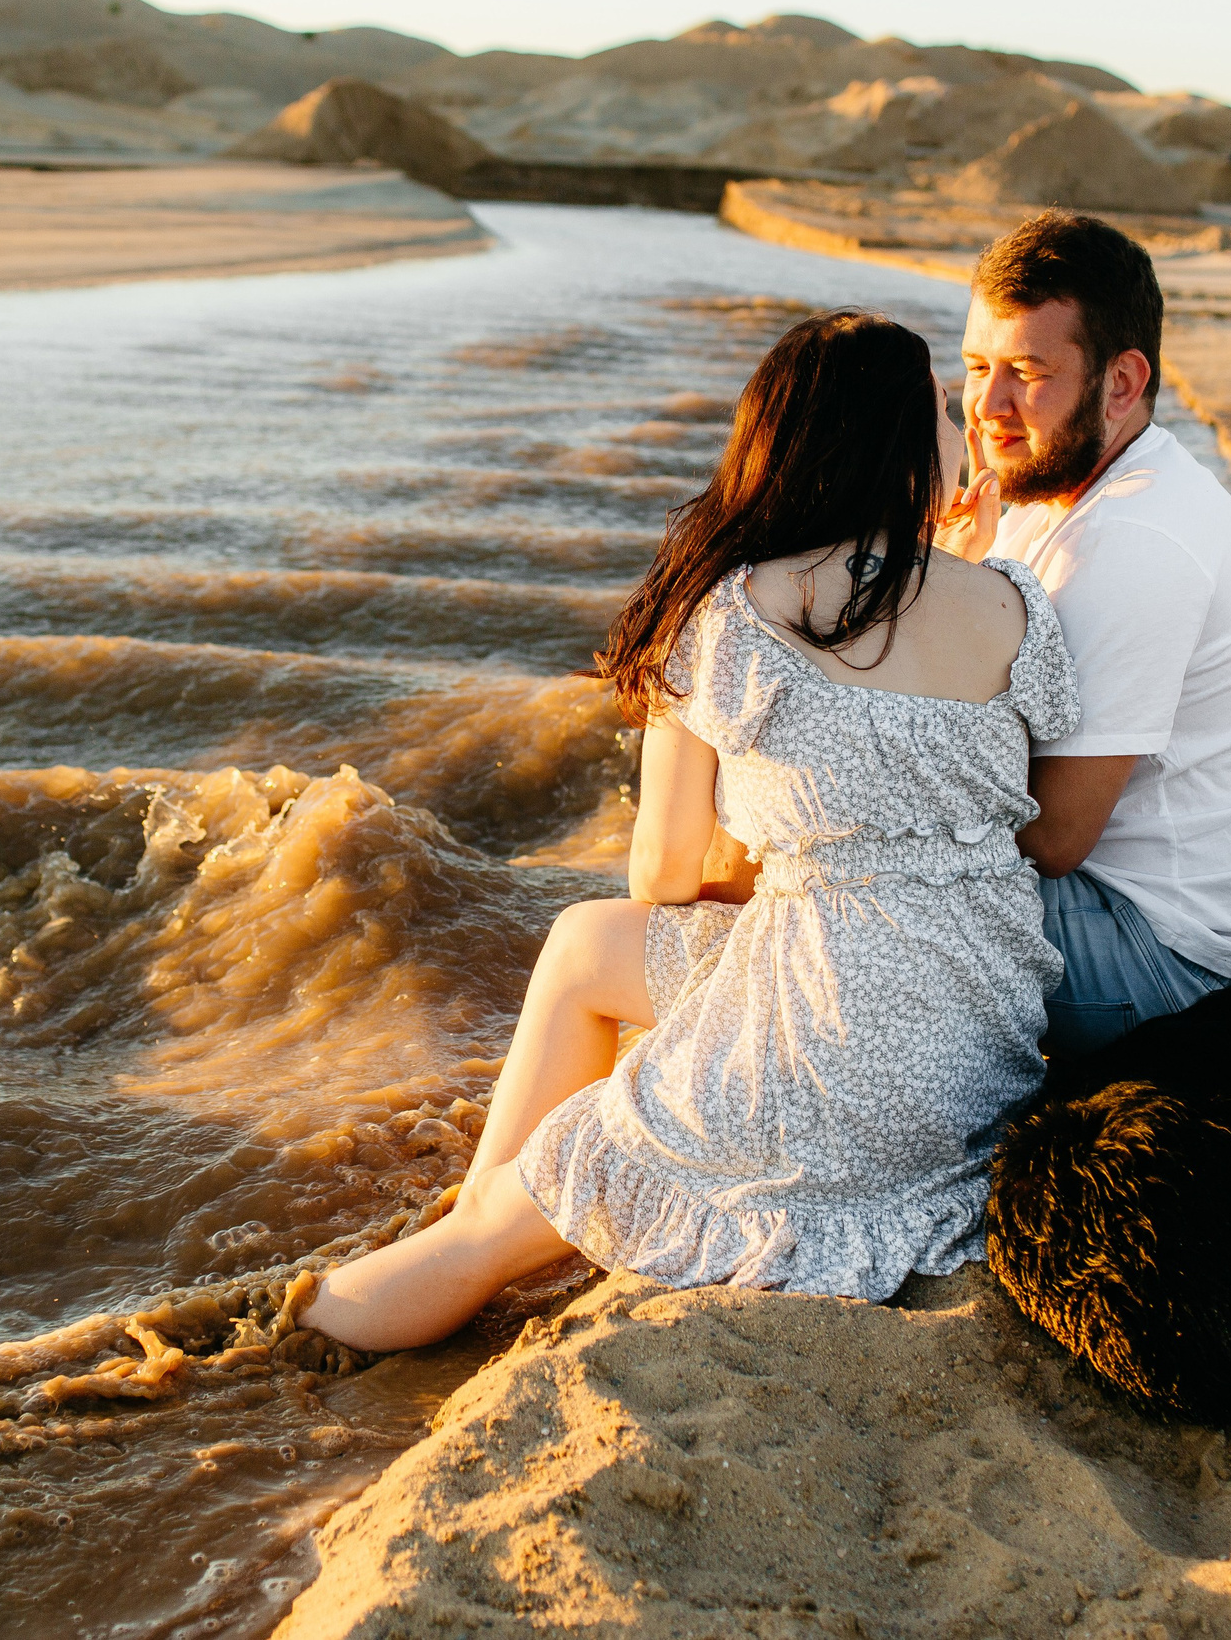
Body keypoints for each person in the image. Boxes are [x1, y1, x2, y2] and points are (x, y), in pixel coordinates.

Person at [298, 310, 1081, 1352]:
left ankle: (315, 1325)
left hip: (827, 1061)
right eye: (942, 402)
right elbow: (960, 777)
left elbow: (662, 872)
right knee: (585, 943)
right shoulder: (1014, 604)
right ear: (889, 441)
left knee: (481, 1245)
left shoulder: (733, 614)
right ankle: (488, 1199)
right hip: (974, 1053)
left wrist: (790, 873)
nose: (963, 422)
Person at [939, 210, 1231, 1057]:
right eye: (974, 366)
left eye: (1027, 373)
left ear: (1120, 381)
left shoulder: (1137, 537)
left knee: (855, 903)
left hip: (1174, 963)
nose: (987, 406)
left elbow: (1053, 836)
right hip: (1144, 911)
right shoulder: (1052, 494)